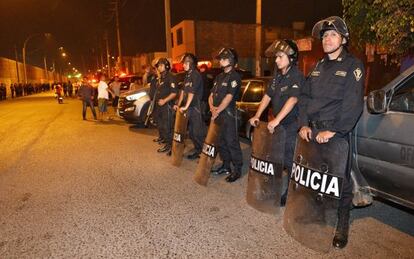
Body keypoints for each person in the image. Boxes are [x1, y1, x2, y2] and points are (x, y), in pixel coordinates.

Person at [298, 16, 365, 249]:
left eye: (333, 35)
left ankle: (342, 224)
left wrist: (334, 131)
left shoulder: (353, 66)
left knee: (341, 182)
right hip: (313, 131)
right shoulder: (317, 66)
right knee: (317, 177)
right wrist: (303, 124)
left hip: (335, 134)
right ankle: (319, 214)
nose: (327, 39)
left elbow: (353, 103)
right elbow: (305, 98)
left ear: (344, 40)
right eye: (325, 35)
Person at [249, 39, 304, 205]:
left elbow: (293, 99)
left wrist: (276, 120)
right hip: (279, 126)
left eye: (280, 56)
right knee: (276, 159)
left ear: (291, 58)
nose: (276, 60)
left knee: (289, 160)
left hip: (291, 125)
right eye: (276, 57)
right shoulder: (277, 77)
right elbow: (267, 96)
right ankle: (274, 187)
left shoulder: (296, 76)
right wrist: (257, 115)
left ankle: (291, 194)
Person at [209, 48, 243, 183]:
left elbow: (229, 97)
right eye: (220, 58)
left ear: (231, 60)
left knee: (231, 142)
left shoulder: (235, 77)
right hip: (217, 114)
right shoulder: (219, 76)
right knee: (221, 142)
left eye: (223, 58)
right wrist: (212, 108)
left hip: (229, 115)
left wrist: (216, 111)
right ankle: (225, 166)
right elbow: (211, 95)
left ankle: (237, 169)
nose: (220, 60)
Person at [174, 53, 207, 160]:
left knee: (198, 132)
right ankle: (198, 150)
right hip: (190, 107)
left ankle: (204, 155)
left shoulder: (195, 75)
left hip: (196, 107)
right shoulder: (187, 75)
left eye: (184, 63)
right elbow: (183, 91)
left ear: (189, 63)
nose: (182, 65)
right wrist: (178, 104)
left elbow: (192, 93)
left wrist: (186, 106)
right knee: (192, 132)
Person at [154, 58, 178, 155]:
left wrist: (164, 100)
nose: (159, 67)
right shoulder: (162, 78)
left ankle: (172, 147)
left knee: (168, 127)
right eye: (158, 66)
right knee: (163, 126)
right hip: (160, 106)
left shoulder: (170, 77)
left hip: (167, 106)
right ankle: (168, 144)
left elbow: (174, 93)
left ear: (166, 66)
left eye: (160, 65)